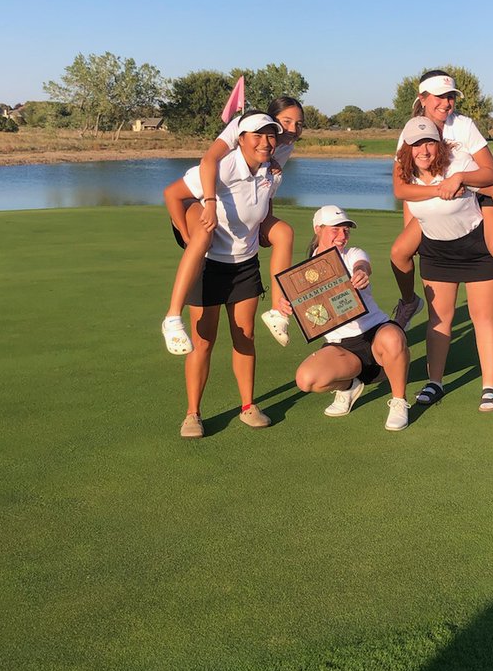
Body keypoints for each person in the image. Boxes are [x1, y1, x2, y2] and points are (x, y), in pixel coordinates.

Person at [390, 70, 493, 343]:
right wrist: (433, 197)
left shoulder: (464, 125)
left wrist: (460, 178)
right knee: (400, 252)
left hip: (476, 197)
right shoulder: (410, 131)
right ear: (422, 98)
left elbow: (492, 175)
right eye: (440, 97)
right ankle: (409, 301)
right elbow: (404, 187)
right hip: (434, 204)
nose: (446, 103)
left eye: (450, 97)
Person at [162, 111, 283, 437]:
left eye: (271, 135)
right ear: (239, 139)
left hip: (245, 265)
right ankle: (193, 414)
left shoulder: (273, 173)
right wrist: (189, 240)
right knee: (203, 342)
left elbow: (265, 207)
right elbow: (172, 194)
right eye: (256, 135)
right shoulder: (224, 166)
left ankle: (248, 406)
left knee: (245, 338)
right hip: (209, 265)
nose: (265, 142)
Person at [160, 96, 305, 355]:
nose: (293, 129)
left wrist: (262, 221)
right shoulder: (239, 130)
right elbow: (207, 163)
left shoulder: (282, 145)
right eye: (287, 121)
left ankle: (276, 311)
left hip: (228, 202)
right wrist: (191, 229)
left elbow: (265, 188)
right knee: (202, 236)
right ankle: (172, 318)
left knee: (284, 232)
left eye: (299, 123)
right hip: (199, 195)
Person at [394, 117, 493, 412]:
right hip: (436, 251)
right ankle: (435, 382)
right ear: (407, 148)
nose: (424, 150)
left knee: (483, 318)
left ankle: (489, 387)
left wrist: (460, 179)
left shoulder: (458, 164)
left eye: (429, 142)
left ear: (439, 143)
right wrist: (438, 189)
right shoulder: (406, 174)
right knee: (438, 321)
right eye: (416, 144)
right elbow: (403, 196)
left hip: (476, 247)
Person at [281, 206, 411, 432]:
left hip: (374, 333)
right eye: (336, 230)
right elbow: (306, 310)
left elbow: (362, 265)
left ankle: (399, 402)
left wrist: (361, 273)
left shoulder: (353, 255)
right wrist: (286, 305)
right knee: (306, 380)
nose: (342, 236)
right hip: (342, 347)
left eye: (346, 231)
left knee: (393, 337)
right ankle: (350, 385)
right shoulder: (301, 274)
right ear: (317, 229)